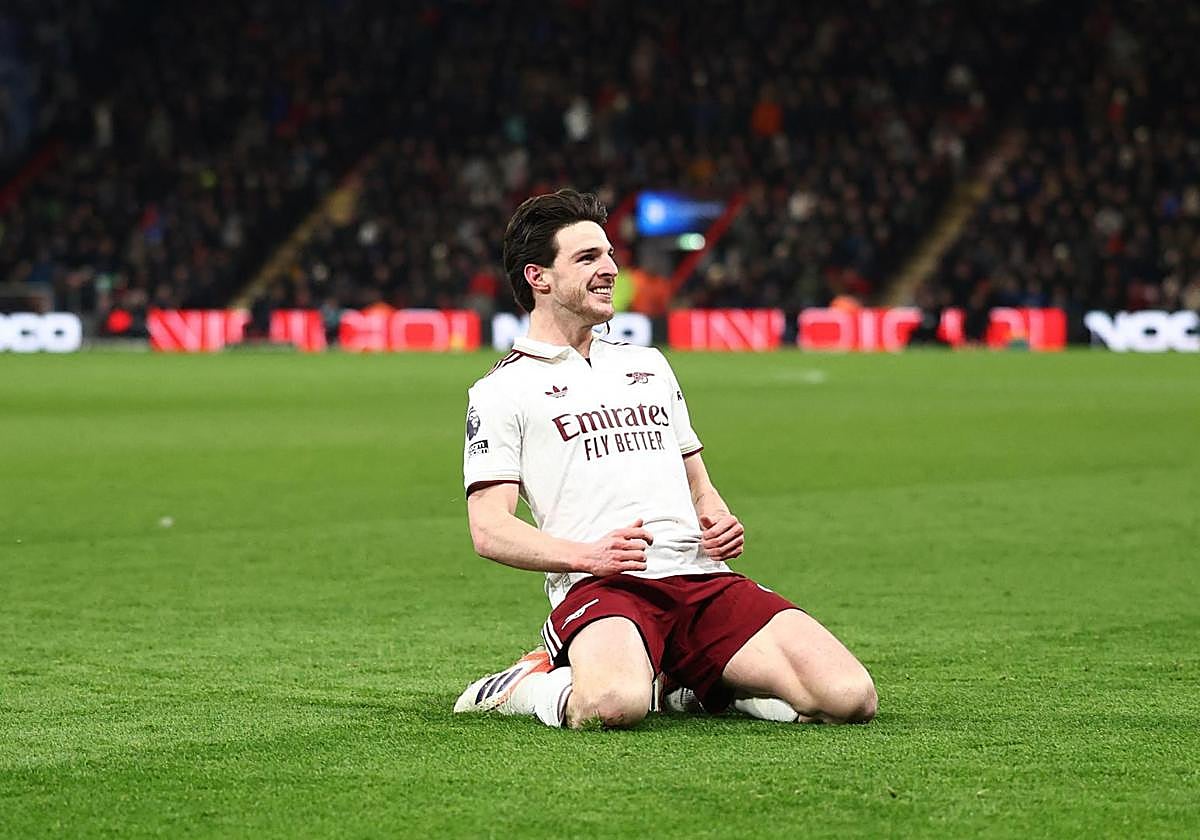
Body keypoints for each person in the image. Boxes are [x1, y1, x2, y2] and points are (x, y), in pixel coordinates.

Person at [453, 189, 877, 729]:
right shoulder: (501, 390)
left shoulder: (649, 365)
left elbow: (699, 483)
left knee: (849, 697)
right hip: (605, 587)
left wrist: (716, 515)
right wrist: (588, 557)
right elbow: (489, 529)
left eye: (609, 255)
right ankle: (523, 683)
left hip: (700, 577)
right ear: (539, 278)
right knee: (614, 704)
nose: (610, 269)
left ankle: (688, 686)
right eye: (588, 258)